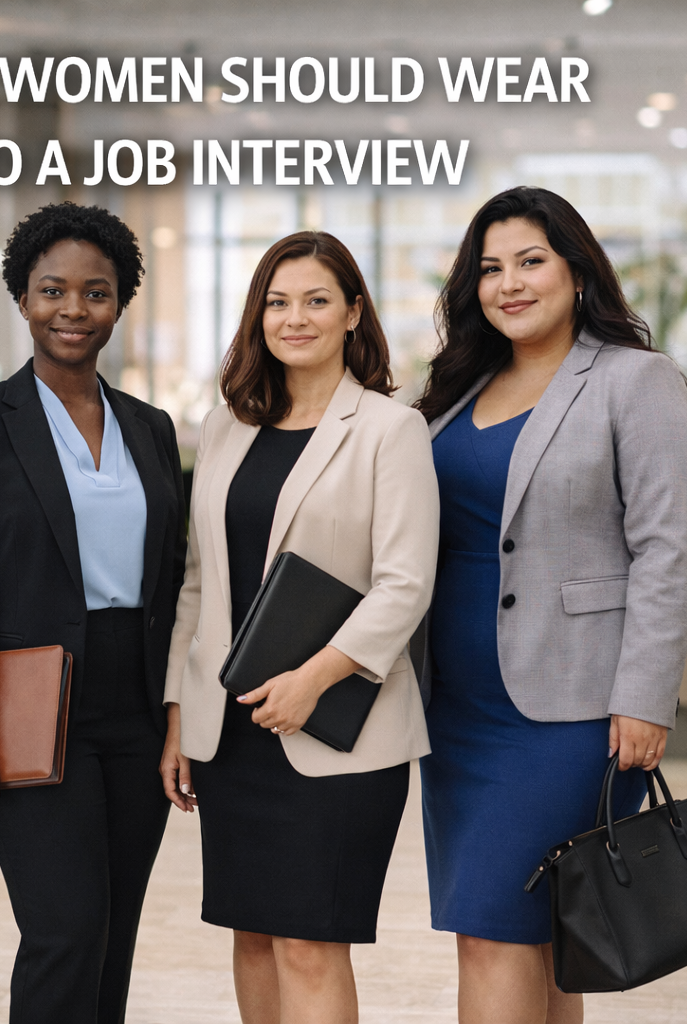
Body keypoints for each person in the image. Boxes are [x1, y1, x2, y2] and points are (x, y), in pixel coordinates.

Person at [415, 186, 687, 1024]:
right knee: (539, 937)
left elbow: (667, 549)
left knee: (493, 934)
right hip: (456, 711)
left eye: (531, 261)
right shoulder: (454, 392)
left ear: (576, 269)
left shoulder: (634, 381)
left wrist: (645, 699)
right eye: (491, 268)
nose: (511, 283)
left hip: (569, 711)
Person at [161, 231, 439, 1024]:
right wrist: (181, 713)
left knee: (310, 944)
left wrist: (312, 679)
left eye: (317, 300)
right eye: (278, 302)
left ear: (353, 312)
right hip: (233, 731)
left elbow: (404, 584)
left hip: (336, 733)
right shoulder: (225, 428)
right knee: (251, 935)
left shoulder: (391, 429)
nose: (296, 318)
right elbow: (197, 582)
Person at [0, 201, 187, 1024]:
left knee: (114, 928)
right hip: (30, 705)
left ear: (120, 301)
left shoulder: (150, 428)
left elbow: (176, 584)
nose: (74, 310)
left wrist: (180, 716)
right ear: (22, 297)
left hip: (135, 707)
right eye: (52, 290)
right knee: (64, 928)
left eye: (96, 292)